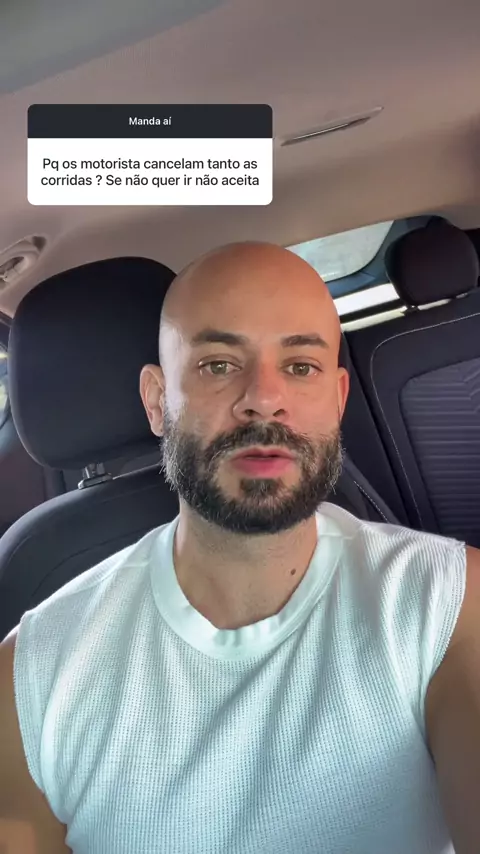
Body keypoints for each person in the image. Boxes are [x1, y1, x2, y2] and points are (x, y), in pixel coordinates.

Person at [0, 241, 479, 854]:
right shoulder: (31, 678)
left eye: (300, 367)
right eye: (219, 364)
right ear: (157, 401)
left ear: (337, 401)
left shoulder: (448, 604)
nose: (264, 397)